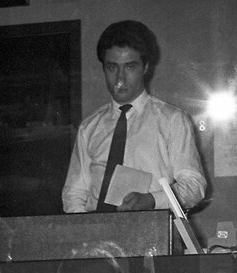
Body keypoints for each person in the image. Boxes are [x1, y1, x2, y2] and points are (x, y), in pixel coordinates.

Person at [62, 19, 206, 214]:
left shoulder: (172, 120)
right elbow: (74, 193)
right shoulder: (89, 128)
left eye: (130, 67)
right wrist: (85, 231)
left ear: (145, 67)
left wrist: (153, 200)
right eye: (112, 68)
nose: (120, 79)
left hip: (153, 236)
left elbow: (194, 186)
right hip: (97, 237)